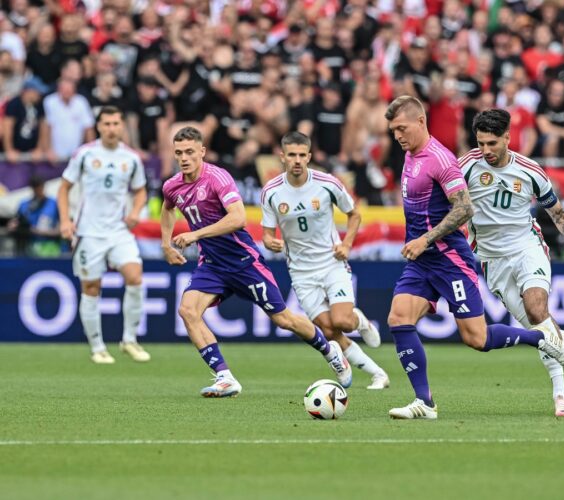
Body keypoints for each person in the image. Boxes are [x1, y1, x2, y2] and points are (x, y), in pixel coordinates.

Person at [384, 95, 564, 420]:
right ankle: (424, 403)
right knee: (398, 318)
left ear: (420, 122)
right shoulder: (410, 155)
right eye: (393, 130)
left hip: (449, 258)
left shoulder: (441, 160)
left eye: (401, 128)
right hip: (422, 261)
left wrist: (425, 239)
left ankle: (540, 338)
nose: (397, 135)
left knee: (477, 338)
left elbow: (465, 207)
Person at [161, 126, 352, 398]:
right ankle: (225, 377)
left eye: (190, 151)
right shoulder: (172, 185)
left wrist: (195, 234)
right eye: (179, 152)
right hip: (213, 265)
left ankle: (330, 350)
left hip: (243, 262)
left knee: (284, 320)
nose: (184, 158)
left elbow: (238, 218)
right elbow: (168, 208)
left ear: (202, 151)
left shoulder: (217, 178)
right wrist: (166, 244)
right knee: (188, 311)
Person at [459, 109, 564, 417]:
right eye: (480, 143)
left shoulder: (530, 171)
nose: (486, 151)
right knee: (539, 331)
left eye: (492, 143)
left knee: (538, 310)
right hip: (492, 261)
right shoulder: (465, 167)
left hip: (527, 249)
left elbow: (559, 216)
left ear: (508, 137)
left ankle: (560, 394)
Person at [261, 131, 389, 390]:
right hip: (300, 272)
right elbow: (267, 234)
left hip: (331, 263)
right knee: (329, 330)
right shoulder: (271, 192)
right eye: (291, 155)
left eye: (301, 155)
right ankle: (378, 374)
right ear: (282, 157)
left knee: (342, 321)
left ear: (309, 156)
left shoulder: (327, 183)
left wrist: (347, 244)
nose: (297, 160)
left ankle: (360, 321)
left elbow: (354, 214)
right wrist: (270, 243)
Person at [57, 105, 150, 364]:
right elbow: (64, 188)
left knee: (135, 277)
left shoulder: (131, 158)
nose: (111, 128)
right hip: (89, 232)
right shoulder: (85, 154)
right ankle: (97, 347)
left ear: (122, 126)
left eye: (116, 123)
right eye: (106, 124)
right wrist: (66, 220)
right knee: (91, 288)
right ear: (98, 126)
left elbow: (141, 190)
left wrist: (135, 211)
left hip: (119, 231)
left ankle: (129, 340)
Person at [8, 176, 60, 257]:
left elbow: (61, 229)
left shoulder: (54, 203)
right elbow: (15, 221)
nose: (38, 191)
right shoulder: (24, 205)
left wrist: (39, 232)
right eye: (35, 188)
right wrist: (12, 225)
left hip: (50, 248)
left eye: (40, 188)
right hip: (27, 248)